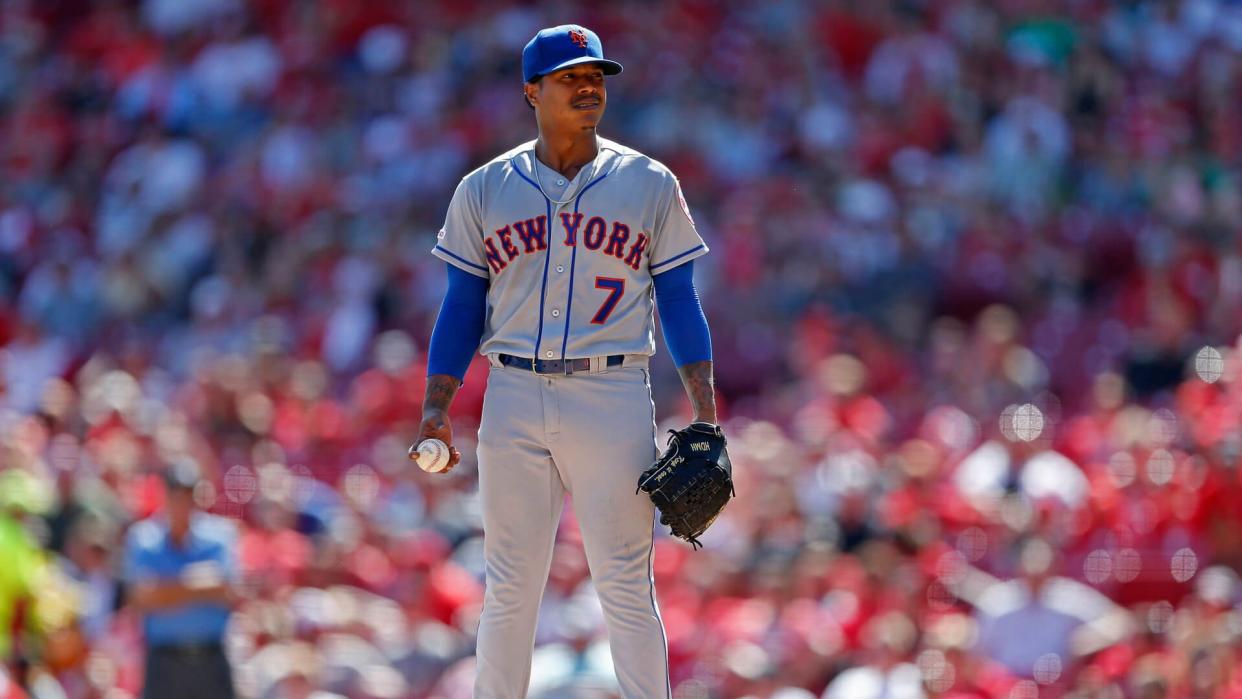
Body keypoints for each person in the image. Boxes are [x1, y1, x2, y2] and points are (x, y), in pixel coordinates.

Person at [407, 23, 720, 698]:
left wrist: (707, 415)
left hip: (611, 391)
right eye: (569, 77)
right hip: (512, 391)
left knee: (624, 583)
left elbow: (679, 301)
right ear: (532, 91)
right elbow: (462, 306)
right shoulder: (485, 188)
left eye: (595, 76)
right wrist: (435, 407)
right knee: (510, 584)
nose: (587, 87)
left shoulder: (648, 182)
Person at [123, 461, 238, 699]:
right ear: (164, 495)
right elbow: (143, 596)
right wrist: (201, 583)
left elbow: (227, 589)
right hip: (164, 663)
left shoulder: (219, 535)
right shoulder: (144, 538)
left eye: (188, 494)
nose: (182, 502)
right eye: (176, 494)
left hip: (210, 659)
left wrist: (167, 588)